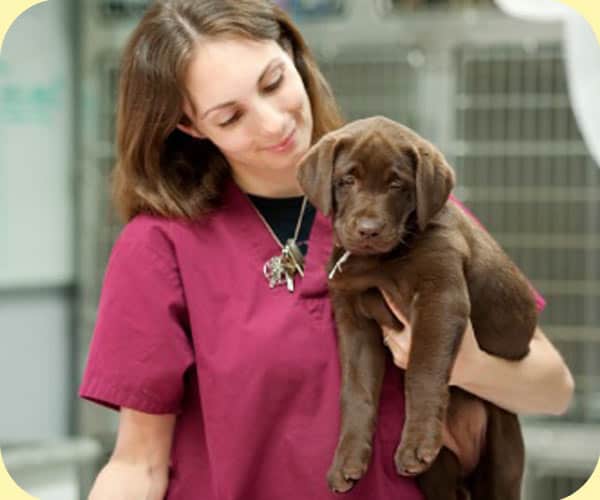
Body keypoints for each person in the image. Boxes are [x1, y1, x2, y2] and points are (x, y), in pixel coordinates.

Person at [79, 1, 574, 499]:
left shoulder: (411, 206)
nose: (273, 123)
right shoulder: (160, 248)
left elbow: (554, 388)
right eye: (230, 116)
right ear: (191, 127)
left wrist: (463, 364)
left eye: (273, 82)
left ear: (293, 55)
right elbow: (137, 466)